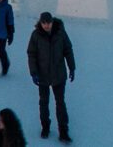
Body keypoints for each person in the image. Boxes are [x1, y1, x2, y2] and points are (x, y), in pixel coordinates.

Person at [26, 12, 75, 143]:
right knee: (44, 102)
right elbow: (32, 54)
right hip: (42, 75)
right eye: (44, 23)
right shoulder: (36, 35)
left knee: (60, 102)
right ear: (40, 23)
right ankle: (45, 127)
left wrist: (72, 67)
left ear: (52, 22)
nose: (46, 25)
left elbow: (68, 50)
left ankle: (63, 131)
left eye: (48, 22)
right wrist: (33, 72)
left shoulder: (61, 33)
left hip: (58, 75)